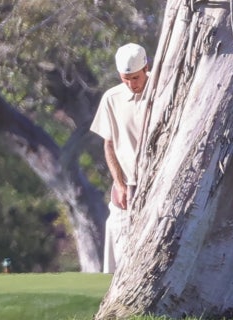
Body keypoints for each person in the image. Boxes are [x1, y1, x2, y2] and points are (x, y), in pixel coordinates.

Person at [90, 43, 149, 273]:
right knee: (119, 240)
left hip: (159, 181)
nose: (131, 84)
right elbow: (109, 144)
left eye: (135, 78)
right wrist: (120, 184)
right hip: (128, 184)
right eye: (126, 79)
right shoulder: (111, 98)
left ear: (146, 68)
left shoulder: (165, 89)